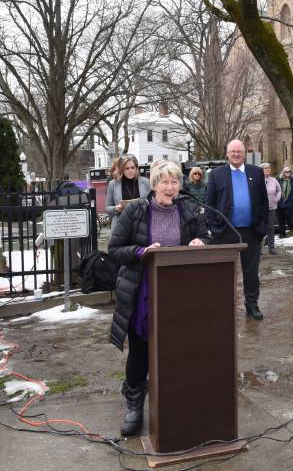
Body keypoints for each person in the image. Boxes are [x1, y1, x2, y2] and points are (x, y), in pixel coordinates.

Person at [108, 160, 209, 436]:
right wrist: (141, 252)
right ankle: (134, 406)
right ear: (154, 184)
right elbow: (114, 248)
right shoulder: (137, 210)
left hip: (179, 293)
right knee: (141, 352)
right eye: (164, 181)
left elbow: (204, 235)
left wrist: (201, 242)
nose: (169, 186)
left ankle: (177, 402)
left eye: (174, 181)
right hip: (142, 291)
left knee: (178, 351)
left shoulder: (188, 209)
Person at [205, 139, 269, 320]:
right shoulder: (217, 174)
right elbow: (209, 204)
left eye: (239, 151)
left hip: (251, 231)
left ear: (244, 153)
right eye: (232, 151)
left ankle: (252, 304)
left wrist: (262, 226)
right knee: (224, 272)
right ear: (227, 154)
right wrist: (214, 227)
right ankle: (224, 306)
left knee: (251, 272)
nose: (236, 154)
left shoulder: (256, 173)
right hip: (225, 231)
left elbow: (264, 202)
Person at [106, 155, 152, 231]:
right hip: (121, 226)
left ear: (136, 168)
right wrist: (116, 208)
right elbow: (108, 208)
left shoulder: (145, 182)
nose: (130, 171)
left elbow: (152, 202)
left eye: (132, 167)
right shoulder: (113, 184)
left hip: (141, 225)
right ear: (121, 169)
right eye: (127, 168)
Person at [262, 162, 282, 255]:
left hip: (271, 207)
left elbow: (279, 190)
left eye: (269, 168)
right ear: (261, 170)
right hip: (260, 209)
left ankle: (271, 247)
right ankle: (258, 249)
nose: (268, 169)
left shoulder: (274, 180)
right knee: (260, 228)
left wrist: (276, 199)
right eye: (266, 168)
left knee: (270, 228)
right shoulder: (258, 180)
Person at [277, 166, 293, 236]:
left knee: (288, 215)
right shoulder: (280, 180)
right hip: (280, 202)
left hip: (289, 201)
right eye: (286, 172)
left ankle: (291, 228)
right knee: (280, 219)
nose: (288, 173)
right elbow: (277, 190)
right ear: (283, 173)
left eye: (289, 171)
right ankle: (282, 234)